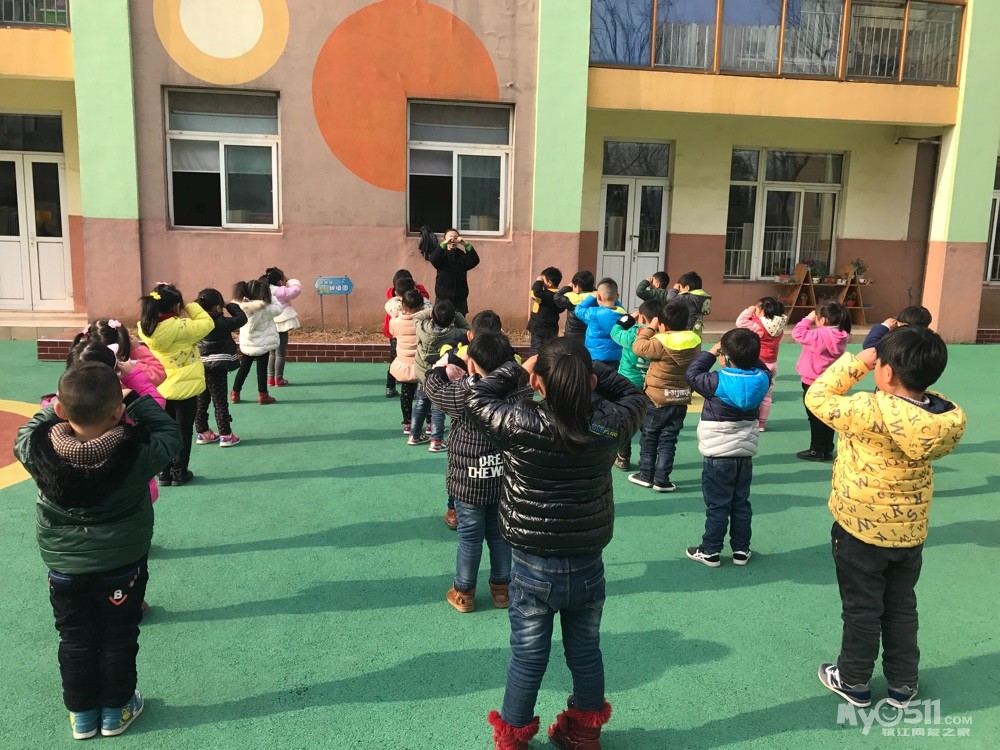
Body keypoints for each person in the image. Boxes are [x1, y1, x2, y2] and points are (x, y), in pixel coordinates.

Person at [466, 338, 646, 750]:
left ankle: (512, 739)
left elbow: (477, 397)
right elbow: (634, 394)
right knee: (585, 652)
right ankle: (584, 734)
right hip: (587, 562)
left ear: (537, 383)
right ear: (591, 382)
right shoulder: (610, 424)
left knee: (528, 656)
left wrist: (517, 368)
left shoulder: (518, 422)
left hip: (532, 562)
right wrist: (589, 368)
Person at [14, 362, 181, 739]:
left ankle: (82, 716)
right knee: (118, 636)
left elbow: (27, 429)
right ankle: (116, 711)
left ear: (60, 409)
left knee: (75, 637)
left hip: (64, 567)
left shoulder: (36, 449)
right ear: (118, 412)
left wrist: (56, 406)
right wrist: (135, 400)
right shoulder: (138, 451)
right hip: (122, 563)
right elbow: (169, 433)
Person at [807, 327, 966, 710]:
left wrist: (858, 362)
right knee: (900, 607)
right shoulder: (941, 416)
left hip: (860, 529)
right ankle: (903, 683)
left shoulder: (868, 410)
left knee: (862, 610)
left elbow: (817, 397)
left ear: (888, 372)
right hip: (908, 532)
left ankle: (854, 680)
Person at [425, 333, 530, 611]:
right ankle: (502, 590)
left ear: (472, 365)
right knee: (500, 535)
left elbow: (433, 388)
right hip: (504, 477)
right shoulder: (520, 391)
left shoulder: (464, 392)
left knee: (469, 537)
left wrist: (445, 364)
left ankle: (464, 592)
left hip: (468, 481)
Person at [684, 329, 771, 567]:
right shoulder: (762, 379)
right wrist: (748, 355)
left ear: (725, 357)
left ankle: (710, 550)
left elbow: (692, 374)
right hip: (744, 453)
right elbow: (762, 367)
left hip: (717, 455)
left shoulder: (716, 381)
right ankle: (741, 549)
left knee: (718, 505)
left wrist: (711, 352)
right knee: (741, 503)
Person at [137, 283, 215, 486]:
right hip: (185, 388)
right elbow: (207, 322)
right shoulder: (183, 327)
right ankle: (179, 471)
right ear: (176, 305)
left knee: (163, 430)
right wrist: (189, 304)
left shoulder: (146, 328)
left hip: (161, 387)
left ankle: (164, 471)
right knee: (184, 431)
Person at [630, 299, 702, 492]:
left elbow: (638, 347)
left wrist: (650, 328)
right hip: (680, 398)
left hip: (656, 399)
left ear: (662, 324)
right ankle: (662, 480)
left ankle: (646, 475)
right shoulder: (694, 341)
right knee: (668, 440)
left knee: (649, 437)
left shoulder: (660, 342)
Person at [792, 300, 851, 461]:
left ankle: (817, 449)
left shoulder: (820, 334)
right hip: (831, 381)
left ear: (823, 319)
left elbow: (797, 333)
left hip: (812, 381)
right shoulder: (842, 334)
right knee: (828, 415)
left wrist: (808, 318)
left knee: (815, 416)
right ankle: (827, 448)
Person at [607, 299, 659, 471]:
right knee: (648, 425)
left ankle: (623, 458)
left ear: (641, 317)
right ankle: (647, 461)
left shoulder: (632, 334)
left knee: (626, 420)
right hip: (650, 385)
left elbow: (615, 331)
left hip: (628, 383)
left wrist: (628, 318)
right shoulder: (661, 337)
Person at [413, 299, 470, 452]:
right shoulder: (454, 333)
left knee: (421, 403)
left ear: (432, 315)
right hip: (438, 376)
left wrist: (431, 312)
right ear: (452, 319)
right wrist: (457, 315)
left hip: (422, 372)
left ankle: (414, 435)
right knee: (437, 407)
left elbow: (416, 317)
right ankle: (436, 440)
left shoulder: (422, 328)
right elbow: (467, 331)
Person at [194, 288, 247, 447]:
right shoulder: (222, 322)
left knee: (201, 400)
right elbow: (242, 318)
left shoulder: (196, 322)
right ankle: (225, 435)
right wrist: (229, 305)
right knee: (220, 402)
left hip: (200, 365)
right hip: (218, 366)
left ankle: (202, 432)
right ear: (218, 306)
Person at [736, 296, 788, 431]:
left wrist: (749, 310)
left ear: (763, 311)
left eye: (757, 308)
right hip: (772, 364)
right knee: (767, 396)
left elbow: (740, 322)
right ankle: (761, 423)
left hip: (758, 363)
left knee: (750, 391)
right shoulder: (779, 326)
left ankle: (747, 419)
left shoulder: (758, 325)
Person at [231, 279, 282, 406]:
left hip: (247, 344)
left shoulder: (240, 306)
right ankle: (263, 395)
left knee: (244, 369)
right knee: (262, 370)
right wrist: (271, 296)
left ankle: (235, 393)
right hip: (262, 344)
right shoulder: (266, 308)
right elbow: (279, 309)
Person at [72, 319, 165, 388]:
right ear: (123, 342)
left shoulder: (83, 370)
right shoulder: (128, 369)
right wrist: (137, 350)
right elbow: (159, 373)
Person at [389, 289, 429, 438]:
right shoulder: (425, 322)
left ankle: (407, 423)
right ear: (421, 306)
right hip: (422, 366)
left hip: (405, 365)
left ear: (402, 306)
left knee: (406, 395)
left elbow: (392, 333)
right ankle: (430, 423)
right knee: (426, 396)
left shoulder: (395, 322)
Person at [384, 270, 430, 398]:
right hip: (415, 337)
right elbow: (426, 299)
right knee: (417, 363)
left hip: (396, 337)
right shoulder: (418, 303)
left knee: (396, 362)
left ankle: (390, 387)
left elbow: (391, 294)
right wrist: (416, 286)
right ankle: (416, 390)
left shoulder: (393, 304)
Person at [261, 267, 301, 387]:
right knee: (280, 353)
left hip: (269, 323)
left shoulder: (264, 290)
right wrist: (291, 281)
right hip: (281, 324)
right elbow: (296, 290)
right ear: (279, 281)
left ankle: (270, 378)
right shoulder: (280, 291)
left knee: (272, 353)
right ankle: (278, 378)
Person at [575, 277, 626, 367]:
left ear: (598, 296)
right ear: (617, 296)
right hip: (616, 358)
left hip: (595, 358)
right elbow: (620, 308)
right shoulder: (622, 314)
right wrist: (614, 299)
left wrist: (592, 297)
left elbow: (578, 310)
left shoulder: (593, 313)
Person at [427, 228, 480, 315]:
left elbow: (474, 260)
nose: (453, 240)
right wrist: (444, 244)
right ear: (445, 239)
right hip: (443, 296)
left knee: (460, 320)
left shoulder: (461, 254)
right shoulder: (441, 253)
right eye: (450, 238)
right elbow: (433, 259)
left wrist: (466, 245)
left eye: (455, 238)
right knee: (441, 319)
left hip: (459, 297)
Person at [527, 267, 563, 356]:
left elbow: (535, 293)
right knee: (548, 352)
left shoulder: (548, 295)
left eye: (543, 280)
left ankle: (535, 365)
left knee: (536, 352)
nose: (541, 282)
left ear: (549, 283)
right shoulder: (559, 295)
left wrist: (538, 281)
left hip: (540, 329)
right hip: (551, 329)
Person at [861, 305, 932, 350]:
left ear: (903, 324)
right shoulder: (929, 344)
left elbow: (869, 345)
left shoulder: (900, 342)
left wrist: (884, 326)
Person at [554, 270, 596, 344]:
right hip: (589, 335)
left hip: (572, 337)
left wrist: (568, 287)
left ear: (578, 287)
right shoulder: (596, 298)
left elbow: (557, 297)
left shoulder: (572, 299)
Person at [666, 271, 712, 336]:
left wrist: (675, 289)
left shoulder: (689, 298)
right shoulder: (701, 298)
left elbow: (670, 298)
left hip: (686, 332)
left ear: (687, 288)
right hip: (696, 332)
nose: (679, 291)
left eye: (680, 288)